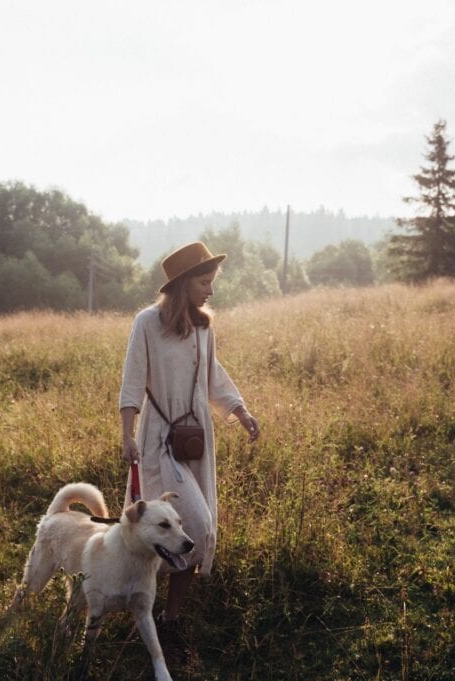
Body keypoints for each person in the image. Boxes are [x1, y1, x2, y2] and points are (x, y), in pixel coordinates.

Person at [118, 241, 260, 641]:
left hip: (196, 438)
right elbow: (132, 379)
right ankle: (139, 610)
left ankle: (171, 618)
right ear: (182, 284)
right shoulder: (147, 322)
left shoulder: (203, 326)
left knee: (197, 530)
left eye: (212, 282)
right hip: (158, 438)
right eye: (204, 282)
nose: (210, 291)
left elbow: (213, 374)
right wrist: (126, 434)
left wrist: (240, 411)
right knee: (160, 530)